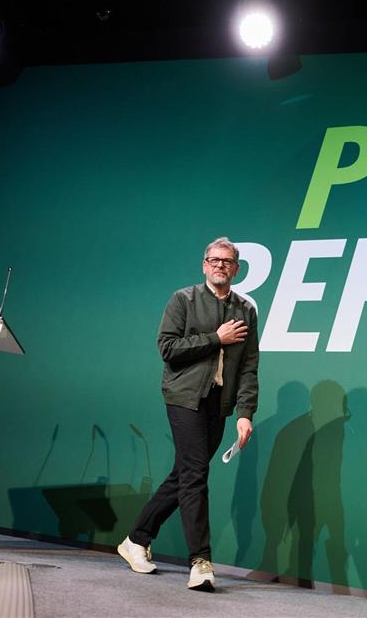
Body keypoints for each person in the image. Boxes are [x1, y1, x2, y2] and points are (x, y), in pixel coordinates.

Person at [118, 236, 258, 592]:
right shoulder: (184, 299)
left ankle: (136, 539)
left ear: (236, 268)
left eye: (227, 261)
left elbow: (249, 368)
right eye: (214, 260)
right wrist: (216, 338)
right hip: (183, 397)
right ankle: (200, 561)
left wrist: (245, 413)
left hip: (219, 403)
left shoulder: (246, 311)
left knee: (185, 473)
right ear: (204, 264)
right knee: (195, 474)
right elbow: (168, 348)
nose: (220, 266)